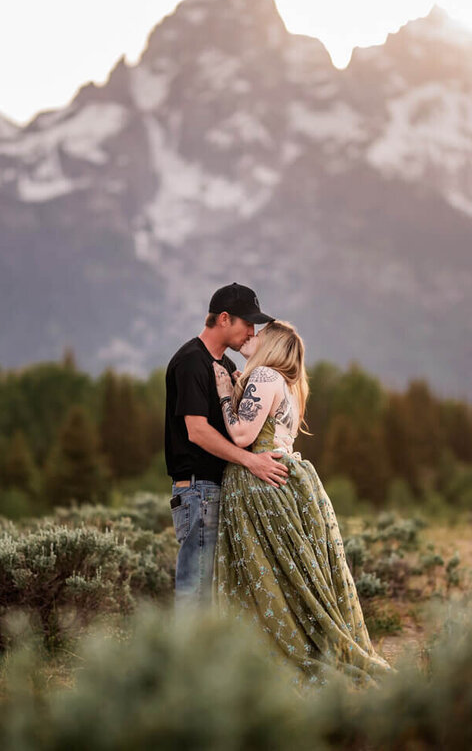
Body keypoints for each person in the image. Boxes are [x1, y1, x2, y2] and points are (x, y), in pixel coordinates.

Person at [212, 320, 391, 686]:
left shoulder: (263, 375)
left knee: (266, 574)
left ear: (271, 345)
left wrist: (223, 395)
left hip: (260, 485)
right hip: (286, 482)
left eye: (258, 335)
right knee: (293, 576)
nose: (250, 336)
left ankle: (272, 657)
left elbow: (243, 434)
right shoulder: (291, 385)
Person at [164, 283, 289, 609]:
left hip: (218, 490)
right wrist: (252, 463)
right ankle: (184, 660)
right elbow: (198, 432)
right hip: (199, 489)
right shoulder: (191, 361)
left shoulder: (229, 368)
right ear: (223, 319)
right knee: (196, 590)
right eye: (246, 323)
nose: (251, 331)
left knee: (217, 594)